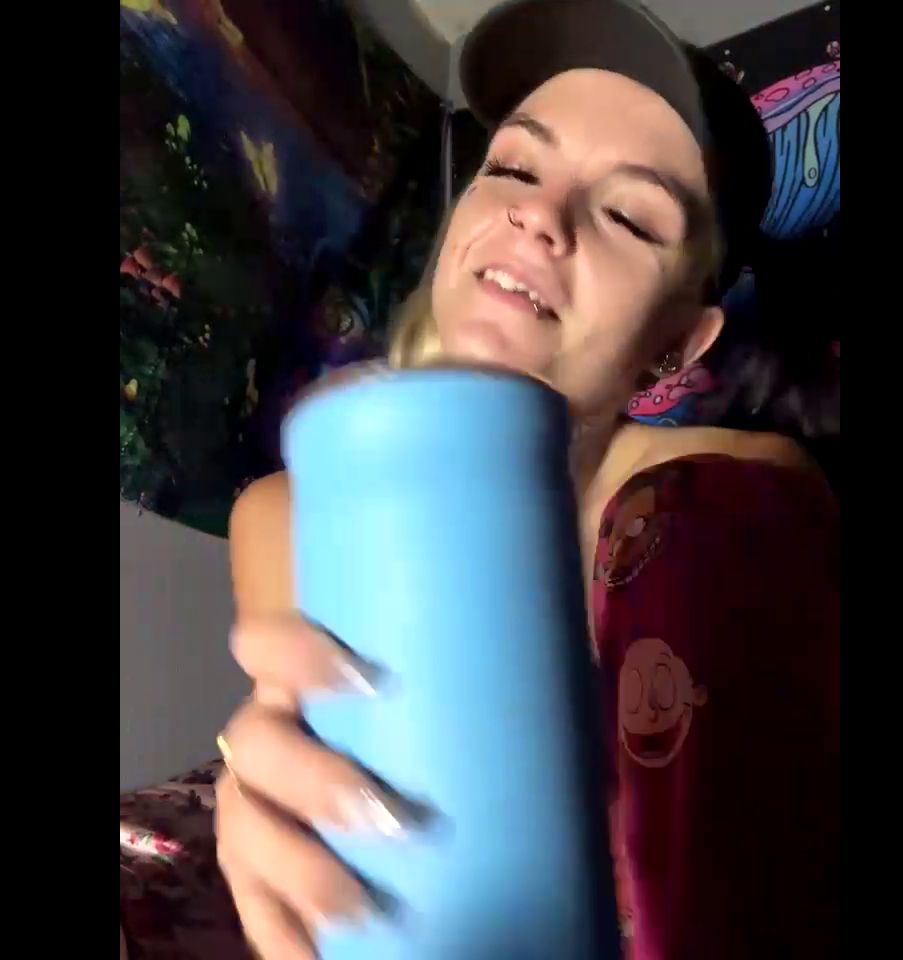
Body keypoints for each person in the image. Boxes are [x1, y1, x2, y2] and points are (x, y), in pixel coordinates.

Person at [214, 1, 840, 957]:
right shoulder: (291, 509)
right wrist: (284, 820)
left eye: (628, 215)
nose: (539, 217)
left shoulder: (729, 505)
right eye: (512, 166)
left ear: (677, 344)